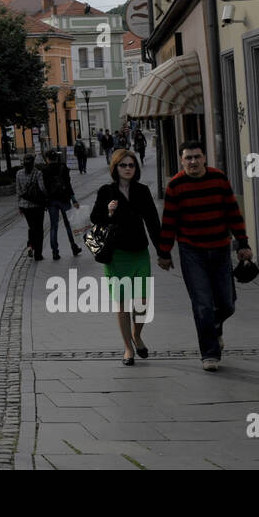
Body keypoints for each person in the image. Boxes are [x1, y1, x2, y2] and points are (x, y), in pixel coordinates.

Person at [157, 140, 253, 372]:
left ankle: (216, 326)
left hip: (220, 248)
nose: (193, 161)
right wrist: (164, 253)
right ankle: (209, 354)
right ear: (181, 161)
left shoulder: (218, 179)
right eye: (188, 158)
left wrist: (243, 242)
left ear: (205, 158)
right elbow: (169, 221)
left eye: (197, 157)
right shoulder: (175, 186)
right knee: (202, 305)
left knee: (227, 303)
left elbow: (233, 212)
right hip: (192, 251)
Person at [91, 149, 162, 366]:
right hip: (116, 255)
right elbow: (95, 218)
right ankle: (128, 348)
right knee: (122, 305)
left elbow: (152, 221)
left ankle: (137, 334)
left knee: (141, 303)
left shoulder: (142, 191)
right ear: (115, 168)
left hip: (139, 252)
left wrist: (163, 251)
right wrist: (109, 213)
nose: (128, 168)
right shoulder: (106, 191)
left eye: (131, 165)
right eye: (123, 165)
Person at [42, 148, 82, 259]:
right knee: (68, 225)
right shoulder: (63, 168)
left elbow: (44, 188)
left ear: (47, 159)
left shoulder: (44, 170)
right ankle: (74, 247)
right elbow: (68, 185)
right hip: (64, 200)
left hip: (52, 201)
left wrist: (45, 201)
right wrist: (74, 200)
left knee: (53, 226)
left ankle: (55, 252)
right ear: (56, 158)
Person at [15, 153, 47, 259]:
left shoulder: (19, 174)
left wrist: (19, 205)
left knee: (32, 227)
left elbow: (18, 191)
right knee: (39, 229)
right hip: (37, 206)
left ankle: (30, 245)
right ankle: (38, 254)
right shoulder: (37, 173)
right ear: (33, 162)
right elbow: (42, 189)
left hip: (25, 206)